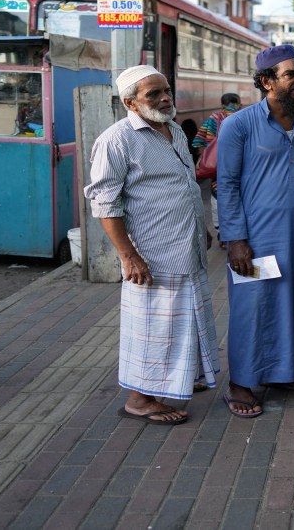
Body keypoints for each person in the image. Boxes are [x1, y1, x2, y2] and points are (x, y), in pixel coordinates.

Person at [84, 65, 219, 426]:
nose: (164, 99)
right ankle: (140, 398)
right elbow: (104, 204)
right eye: (153, 95)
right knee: (152, 328)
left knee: (186, 318)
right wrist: (129, 257)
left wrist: (200, 226)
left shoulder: (173, 129)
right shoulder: (117, 140)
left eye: (166, 91)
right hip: (152, 254)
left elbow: (186, 185)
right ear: (130, 102)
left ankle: (180, 378)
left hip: (184, 245)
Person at [216, 44, 294, 417]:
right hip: (257, 240)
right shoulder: (239, 125)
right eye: (292, 75)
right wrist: (236, 240)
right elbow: (226, 185)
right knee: (253, 306)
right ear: (266, 81)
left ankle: (283, 372)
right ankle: (241, 383)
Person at [191, 92, 242, 247]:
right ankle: (237, 233)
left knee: (218, 198)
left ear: (222, 104)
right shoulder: (243, 117)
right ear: (239, 103)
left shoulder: (213, 118)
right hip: (240, 167)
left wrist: (206, 155)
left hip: (219, 170)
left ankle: (222, 233)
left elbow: (198, 141)